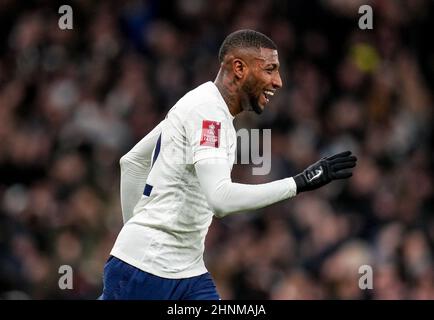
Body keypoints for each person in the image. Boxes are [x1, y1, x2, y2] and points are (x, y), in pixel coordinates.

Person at [101, 29, 357, 300]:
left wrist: (134, 235)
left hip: (186, 271)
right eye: (270, 69)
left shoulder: (200, 103)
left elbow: (132, 162)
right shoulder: (208, 114)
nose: (278, 81)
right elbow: (220, 199)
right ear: (238, 68)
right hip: (147, 271)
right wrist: (298, 183)